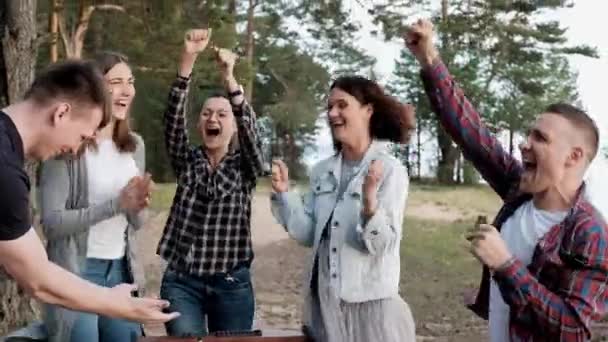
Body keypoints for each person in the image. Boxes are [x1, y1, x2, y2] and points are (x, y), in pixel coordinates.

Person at [406, 19, 608, 341]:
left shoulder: (590, 232)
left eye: (540, 138)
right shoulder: (520, 192)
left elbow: (574, 330)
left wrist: (505, 265)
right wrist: (429, 59)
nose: (524, 143)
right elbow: (471, 133)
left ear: (574, 157)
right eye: (528, 134)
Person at [0, 59, 179, 324]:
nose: (75, 149)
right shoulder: (5, 173)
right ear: (61, 113)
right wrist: (116, 303)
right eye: (83, 137)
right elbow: (37, 278)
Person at [269, 76, 417, 342]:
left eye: (341, 105)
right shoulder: (321, 171)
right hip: (324, 307)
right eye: (329, 107)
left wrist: (370, 206)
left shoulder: (390, 170)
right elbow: (308, 233)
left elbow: (383, 245)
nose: (332, 113)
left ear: (368, 110)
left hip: (371, 312)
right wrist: (284, 195)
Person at [157, 29, 265, 336]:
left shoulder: (245, 166)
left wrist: (230, 79)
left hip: (232, 283)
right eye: (206, 114)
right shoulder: (186, 160)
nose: (212, 119)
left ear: (233, 126)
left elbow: (253, 138)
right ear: (200, 123)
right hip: (182, 282)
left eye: (221, 114)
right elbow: (172, 122)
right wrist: (188, 58)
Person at [39, 52, 152, 342]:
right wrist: (117, 204)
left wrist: (137, 206)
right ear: (94, 88)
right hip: (76, 273)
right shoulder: (67, 144)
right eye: (116, 81)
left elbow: (137, 223)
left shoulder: (134, 145)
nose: (127, 90)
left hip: (120, 271)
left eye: (131, 81)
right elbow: (51, 224)